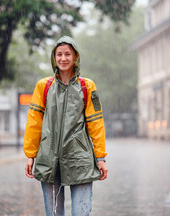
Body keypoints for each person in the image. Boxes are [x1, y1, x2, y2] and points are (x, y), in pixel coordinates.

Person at [23, 35, 108, 216]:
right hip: (48, 158)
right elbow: (34, 122)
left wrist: (100, 158)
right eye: (59, 54)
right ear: (54, 57)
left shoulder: (87, 86)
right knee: (53, 213)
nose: (63, 58)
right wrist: (30, 155)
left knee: (81, 213)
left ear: (75, 56)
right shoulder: (43, 86)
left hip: (80, 159)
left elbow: (96, 123)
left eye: (68, 54)